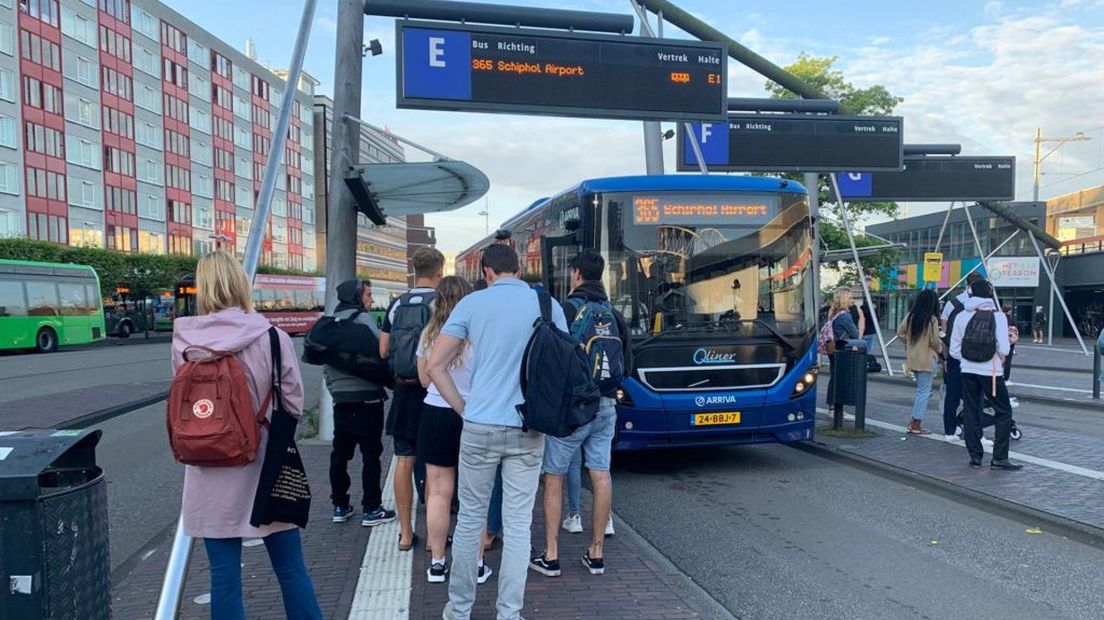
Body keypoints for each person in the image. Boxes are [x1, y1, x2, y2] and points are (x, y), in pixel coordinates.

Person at [171, 251, 322, 619]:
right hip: (264, 466)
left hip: (207, 466)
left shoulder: (183, 340)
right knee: (290, 569)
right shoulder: (271, 336)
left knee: (223, 576)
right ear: (241, 283)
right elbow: (293, 402)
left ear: (202, 288)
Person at [428, 244, 568, 620]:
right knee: (519, 524)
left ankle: (459, 610)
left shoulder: (472, 305)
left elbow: (434, 364)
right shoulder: (547, 305)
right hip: (529, 426)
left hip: (480, 425)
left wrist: (463, 407)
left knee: (471, 519)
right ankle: (509, 613)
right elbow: (565, 363)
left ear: (487, 272)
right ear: (520, 270)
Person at [531, 251, 629, 578]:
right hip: (606, 406)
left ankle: (552, 554)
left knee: (554, 476)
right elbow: (627, 362)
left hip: (573, 407)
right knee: (601, 473)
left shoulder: (566, 309)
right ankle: (596, 552)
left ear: (575, 274)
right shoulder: (614, 313)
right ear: (601, 275)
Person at [416, 276, 492, 585]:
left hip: (435, 412)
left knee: (438, 491)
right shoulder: (479, 333)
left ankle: (437, 563)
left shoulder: (429, 334)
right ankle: (475, 564)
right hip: (473, 413)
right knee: (474, 494)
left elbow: (424, 379)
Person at [381, 246, 444, 551]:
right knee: (434, 464)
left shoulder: (396, 304)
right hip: (432, 392)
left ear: (414, 270)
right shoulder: (441, 303)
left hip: (403, 393)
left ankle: (406, 534)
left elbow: (383, 350)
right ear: (439, 271)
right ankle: (435, 539)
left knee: (403, 461)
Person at [325, 279, 396, 527]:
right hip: (368, 398)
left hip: (341, 400)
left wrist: (335, 390)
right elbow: (383, 349)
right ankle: (372, 508)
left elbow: (325, 363)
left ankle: (340, 505)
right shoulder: (363, 320)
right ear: (356, 297)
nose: (371, 300)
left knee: (340, 455)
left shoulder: (331, 322)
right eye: (367, 295)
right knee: (371, 455)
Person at [949, 279, 1022, 470]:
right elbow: (1004, 349)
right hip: (991, 372)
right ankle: (999, 458)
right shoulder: (998, 316)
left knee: (972, 411)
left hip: (967, 371)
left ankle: (975, 456)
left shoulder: (961, 316)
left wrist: (967, 360)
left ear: (971, 294)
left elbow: (954, 350)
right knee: (1004, 411)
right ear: (990, 294)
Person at [941, 271, 983, 441]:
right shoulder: (986, 304)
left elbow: (943, 325)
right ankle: (975, 432)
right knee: (975, 397)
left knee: (952, 394)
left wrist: (946, 351)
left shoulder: (953, 302)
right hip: (977, 358)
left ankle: (950, 430)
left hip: (955, 355)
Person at [896, 289, 943, 435]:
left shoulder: (911, 316)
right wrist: (940, 349)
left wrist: (910, 343)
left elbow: (900, 333)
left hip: (914, 358)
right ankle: (916, 423)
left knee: (922, 390)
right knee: (924, 392)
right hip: (927, 358)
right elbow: (934, 341)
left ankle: (914, 422)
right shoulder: (932, 319)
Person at [1002, 304, 1020, 409]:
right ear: (1009, 310)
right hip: (1010, 342)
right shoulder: (1011, 319)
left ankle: (1001, 376)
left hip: (1002, 342)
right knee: (1008, 360)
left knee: (1001, 360)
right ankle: (1006, 378)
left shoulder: (999, 317)